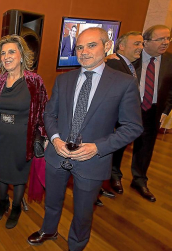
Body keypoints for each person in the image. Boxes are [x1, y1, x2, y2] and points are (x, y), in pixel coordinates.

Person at [27, 27, 143, 251]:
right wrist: (55, 139)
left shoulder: (124, 83)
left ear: (106, 46)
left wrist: (98, 147)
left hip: (92, 161)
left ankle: (76, 245)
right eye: (80, 47)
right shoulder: (64, 80)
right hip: (57, 153)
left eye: (92, 45)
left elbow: (133, 127)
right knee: (52, 200)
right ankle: (49, 230)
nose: (84, 52)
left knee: (83, 211)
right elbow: (49, 114)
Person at [0, 35, 48, 229]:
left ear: (21, 55)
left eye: (11, 51)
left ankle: (16, 207)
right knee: (0, 174)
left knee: (19, 176)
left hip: (23, 138)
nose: (6, 56)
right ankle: (3, 203)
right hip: (0, 137)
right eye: (3, 53)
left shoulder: (34, 81)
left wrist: (43, 136)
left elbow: (44, 110)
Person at [129, 25, 172, 201]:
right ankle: (113, 176)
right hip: (130, 108)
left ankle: (139, 180)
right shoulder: (133, 58)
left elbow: (171, 89)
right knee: (118, 146)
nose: (166, 42)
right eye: (161, 39)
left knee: (146, 147)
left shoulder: (169, 61)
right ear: (145, 42)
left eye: (168, 39)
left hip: (153, 110)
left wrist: (166, 110)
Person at [106, 31, 144, 194]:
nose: (141, 47)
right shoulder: (114, 63)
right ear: (121, 46)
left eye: (141, 44)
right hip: (114, 120)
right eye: (136, 44)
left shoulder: (131, 65)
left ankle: (110, 179)